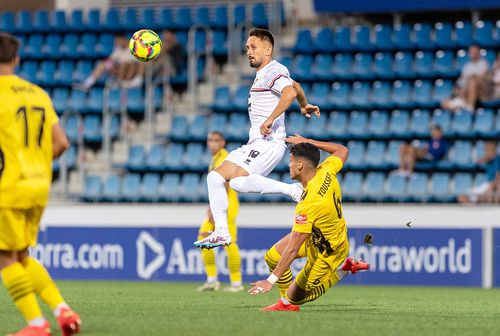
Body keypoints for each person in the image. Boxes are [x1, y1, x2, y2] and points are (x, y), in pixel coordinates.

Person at [194, 28, 320, 249]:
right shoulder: (265, 74)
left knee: (236, 183)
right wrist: (304, 105)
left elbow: (289, 92)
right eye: (247, 48)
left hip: (270, 143)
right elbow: (296, 88)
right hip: (255, 143)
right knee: (217, 179)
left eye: (253, 47)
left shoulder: (273, 69)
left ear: (268, 49)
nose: (249, 52)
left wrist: (271, 118)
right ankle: (222, 232)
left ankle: (293, 190)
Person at [0, 33, 81, 336]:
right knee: (22, 255)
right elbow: (61, 142)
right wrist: (32, 162)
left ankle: (36, 325)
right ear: (16, 59)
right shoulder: (37, 93)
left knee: (4, 257)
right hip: (38, 184)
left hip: (8, 185)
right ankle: (64, 312)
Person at [248, 135, 369, 311]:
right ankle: (286, 305)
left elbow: (293, 249)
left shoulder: (309, 203)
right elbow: (342, 150)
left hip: (328, 251)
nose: (288, 165)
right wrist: (309, 142)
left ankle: (344, 268)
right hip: (317, 235)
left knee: (296, 297)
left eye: (291, 161)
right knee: (273, 257)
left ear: (299, 165)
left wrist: (270, 281)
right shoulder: (325, 170)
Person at [197, 131, 243, 292]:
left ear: (222, 142)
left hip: (226, 206)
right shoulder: (216, 158)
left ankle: (236, 283)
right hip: (220, 205)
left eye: (216, 140)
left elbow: (224, 183)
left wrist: (213, 208)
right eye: (210, 140)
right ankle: (212, 280)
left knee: (228, 243)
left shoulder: (225, 156)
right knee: (204, 237)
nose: (212, 144)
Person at [76, 34, 143, 90]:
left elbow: (141, 61)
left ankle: (133, 81)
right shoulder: (118, 49)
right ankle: (87, 84)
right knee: (103, 64)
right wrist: (107, 65)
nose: (117, 43)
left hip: (132, 70)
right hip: (120, 71)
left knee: (126, 64)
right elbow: (111, 59)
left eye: (118, 41)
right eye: (116, 41)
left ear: (123, 39)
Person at [441, 45, 489, 112]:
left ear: (479, 52)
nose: (473, 53)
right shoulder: (467, 66)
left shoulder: (484, 63)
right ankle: (460, 104)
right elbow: (460, 82)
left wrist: (469, 81)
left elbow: (481, 78)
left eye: (475, 51)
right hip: (465, 91)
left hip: (481, 91)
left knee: (473, 82)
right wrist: (454, 93)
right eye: (471, 51)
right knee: (445, 102)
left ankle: (469, 107)